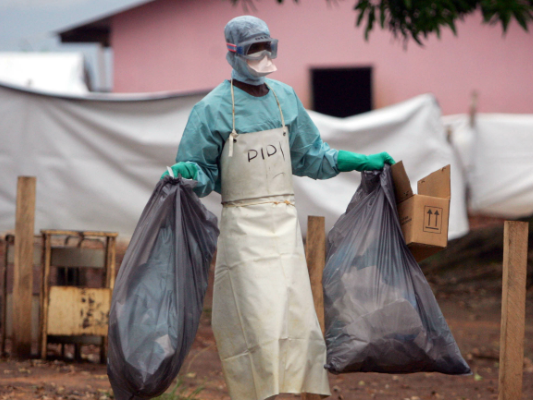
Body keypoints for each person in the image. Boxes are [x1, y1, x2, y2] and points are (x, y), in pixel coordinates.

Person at [162, 15, 394, 400]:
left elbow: (310, 156)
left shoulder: (284, 97)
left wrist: (354, 161)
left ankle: (301, 391)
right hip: (243, 227)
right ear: (232, 54)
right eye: (252, 49)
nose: (261, 55)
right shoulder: (212, 108)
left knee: (296, 317)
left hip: (284, 226)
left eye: (265, 46)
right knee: (257, 320)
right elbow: (202, 172)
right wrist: (190, 173)